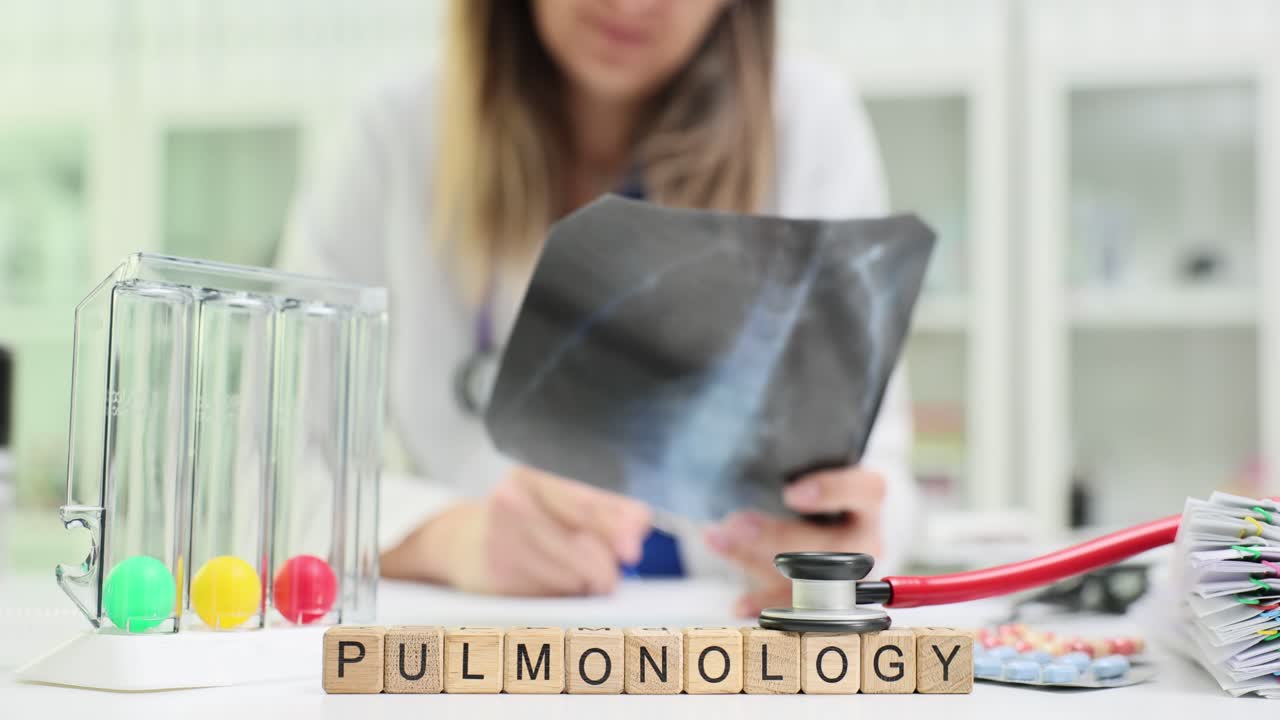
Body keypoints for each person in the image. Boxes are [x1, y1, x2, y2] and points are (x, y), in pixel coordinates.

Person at [281, 0, 916, 618]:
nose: (630, 5)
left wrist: (840, 540)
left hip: (724, 636)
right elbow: (274, 483)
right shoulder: (395, 133)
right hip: (492, 643)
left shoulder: (807, 122)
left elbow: (881, 477)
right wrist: (448, 538)